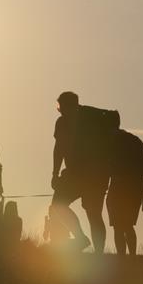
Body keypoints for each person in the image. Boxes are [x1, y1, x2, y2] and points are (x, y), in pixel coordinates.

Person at [52, 91, 117, 253]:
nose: (59, 110)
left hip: (95, 175)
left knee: (93, 214)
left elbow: (59, 149)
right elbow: (59, 149)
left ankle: (98, 252)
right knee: (58, 206)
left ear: (69, 105)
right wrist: (55, 173)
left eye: (60, 106)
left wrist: (55, 173)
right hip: (78, 174)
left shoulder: (91, 117)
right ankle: (82, 239)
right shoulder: (63, 122)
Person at [107, 129, 143, 255]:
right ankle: (132, 256)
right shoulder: (136, 142)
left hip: (118, 189)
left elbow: (109, 166)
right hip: (135, 191)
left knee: (118, 227)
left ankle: (121, 256)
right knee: (128, 225)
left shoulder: (114, 143)